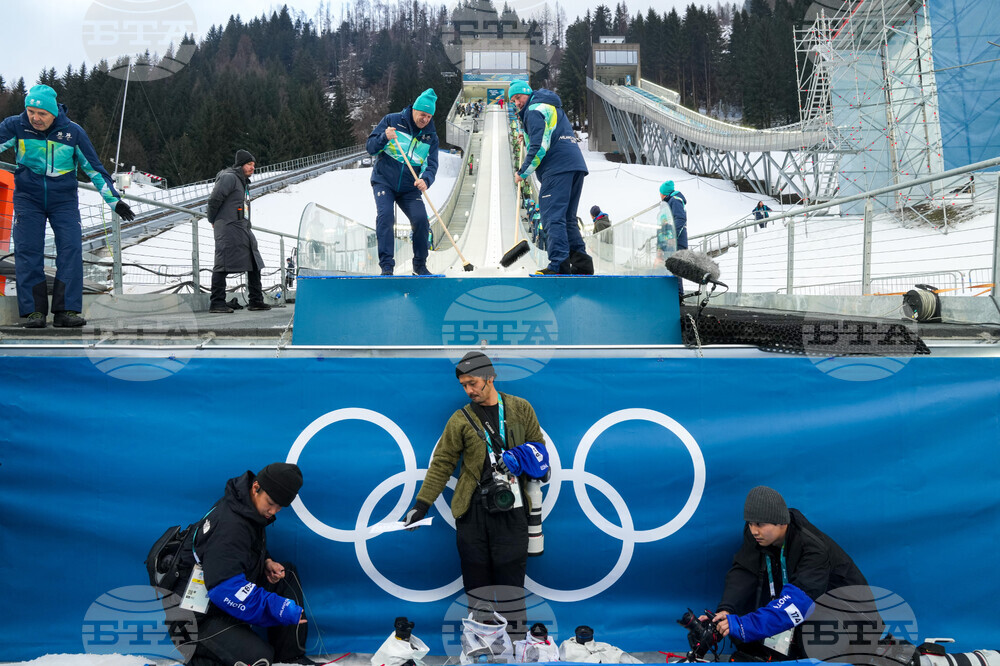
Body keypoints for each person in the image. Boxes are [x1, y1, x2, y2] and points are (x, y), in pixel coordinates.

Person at [404, 351, 550, 641]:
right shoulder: (460, 419)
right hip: (472, 513)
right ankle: (480, 648)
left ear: (490, 377)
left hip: (512, 510)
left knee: (511, 587)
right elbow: (442, 463)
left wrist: (520, 458)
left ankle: (516, 648)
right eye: (463, 385)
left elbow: (539, 451)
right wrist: (421, 505)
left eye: (473, 383)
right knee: (476, 586)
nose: (469, 390)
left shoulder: (520, 408)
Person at [0, 84, 135, 328]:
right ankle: (34, 312)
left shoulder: (73, 133)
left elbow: (94, 169)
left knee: (70, 249)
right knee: (28, 250)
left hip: (63, 200)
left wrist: (114, 201)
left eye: (42, 114)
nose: (35, 118)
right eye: (31, 111)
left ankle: (66, 311)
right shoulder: (16, 125)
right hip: (28, 198)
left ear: (53, 113)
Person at [706, 486, 877, 661]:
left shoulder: (813, 549)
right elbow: (744, 571)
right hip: (813, 611)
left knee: (811, 636)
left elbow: (796, 605)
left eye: (759, 524)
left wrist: (744, 626)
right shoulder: (758, 536)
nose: (754, 530)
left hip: (854, 624)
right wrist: (727, 610)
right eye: (750, 523)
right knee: (746, 634)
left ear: (781, 522)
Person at [175, 463, 311, 665]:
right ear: (256, 487)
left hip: (217, 600)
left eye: (280, 507)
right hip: (195, 620)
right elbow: (224, 588)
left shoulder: (245, 506)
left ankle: (291, 659)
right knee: (259, 658)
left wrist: (266, 561)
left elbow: (243, 549)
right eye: (271, 503)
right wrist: (278, 607)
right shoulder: (230, 525)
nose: (273, 511)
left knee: (286, 575)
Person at [510, 81, 594, 275]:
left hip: (556, 168)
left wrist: (522, 172)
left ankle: (558, 265)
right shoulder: (549, 106)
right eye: (513, 101)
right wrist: (528, 137)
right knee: (567, 219)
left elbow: (540, 147)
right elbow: (550, 134)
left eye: (518, 97)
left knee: (552, 218)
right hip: (574, 165)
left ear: (527, 93)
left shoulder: (533, 110)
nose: (517, 103)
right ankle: (582, 265)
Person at [367, 89, 439, 276]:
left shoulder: (430, 136)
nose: (425, 119)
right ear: (414, 109)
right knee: (386, 216)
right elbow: (371, 148)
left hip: (409, 187)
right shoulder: (392, 121)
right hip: (384, 181)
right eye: (422, 114)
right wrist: (384, 137)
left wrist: (426, 180)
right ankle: (387, 266)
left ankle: (420, 265)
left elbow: (432, 165)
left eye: (429, 116)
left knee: (421, 220)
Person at [207, 150, 270, 313]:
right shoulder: (229, 178)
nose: (252, 167)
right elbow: (214, 200)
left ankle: (256, 300)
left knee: (254, 262)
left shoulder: (243, 182)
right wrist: (212, 219)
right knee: (223, 264)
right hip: (228, 228)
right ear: (240, 165)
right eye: (249, 164)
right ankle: (217, 303)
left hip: (242, 228)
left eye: (253, 165)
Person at [659, 181, 687, 251]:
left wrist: (673, 236)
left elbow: (680, 219)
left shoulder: (675, 200)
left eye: (660, 193)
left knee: (678, 257)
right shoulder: (667, 203)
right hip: (669, 242)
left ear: (663, 193)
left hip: (676, 242)